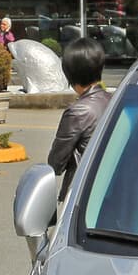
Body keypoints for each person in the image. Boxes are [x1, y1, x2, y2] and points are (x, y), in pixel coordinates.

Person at [46, 37, 112, 185]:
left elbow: (55, 163)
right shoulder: (114, 101)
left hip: (83, 191)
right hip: (112, 187)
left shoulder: (78, 112)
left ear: (70, 74)